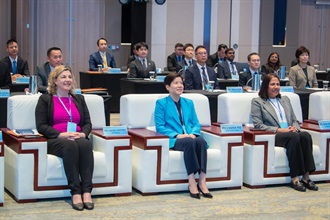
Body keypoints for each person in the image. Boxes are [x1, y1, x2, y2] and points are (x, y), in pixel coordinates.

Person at [35, 65, 94, 211]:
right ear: (55, 80)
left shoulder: (79, 99)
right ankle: (75, 192)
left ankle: (86, 191)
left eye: (69, 77)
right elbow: (41, 125)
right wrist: (60, 134)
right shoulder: (45, 99)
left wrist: (83, 134)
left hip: (78, 136)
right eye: (63, 77)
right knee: (70, 146)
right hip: (56, 139)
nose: (67, 80)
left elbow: (87, 123)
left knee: (85, 145)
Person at [251, 73, 318, 192]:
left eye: (277, 84)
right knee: (294, 137)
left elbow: (294, 119)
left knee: (305, 135)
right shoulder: (258, 102)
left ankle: (306, 178)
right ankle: (295, 178)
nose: (276, 87)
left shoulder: (285, 99)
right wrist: (281, 130)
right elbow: (258, 124)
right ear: (265, 86)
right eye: (272, 84)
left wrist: (295, 127)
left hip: (290, 132)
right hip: (275, 134)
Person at [154, 72, 213, 199]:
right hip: (174, 139)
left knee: (201, 141)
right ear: (168, 87)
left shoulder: (189, 102)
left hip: (190, 136)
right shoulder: (161, 103)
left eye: (181, 83)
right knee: (190, 142)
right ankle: (191, 180)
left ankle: (202, 180)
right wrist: (177, 135)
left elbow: (196, 123)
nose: (180, 85)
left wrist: (193, 133)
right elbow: (160, 127)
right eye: (176, 83)